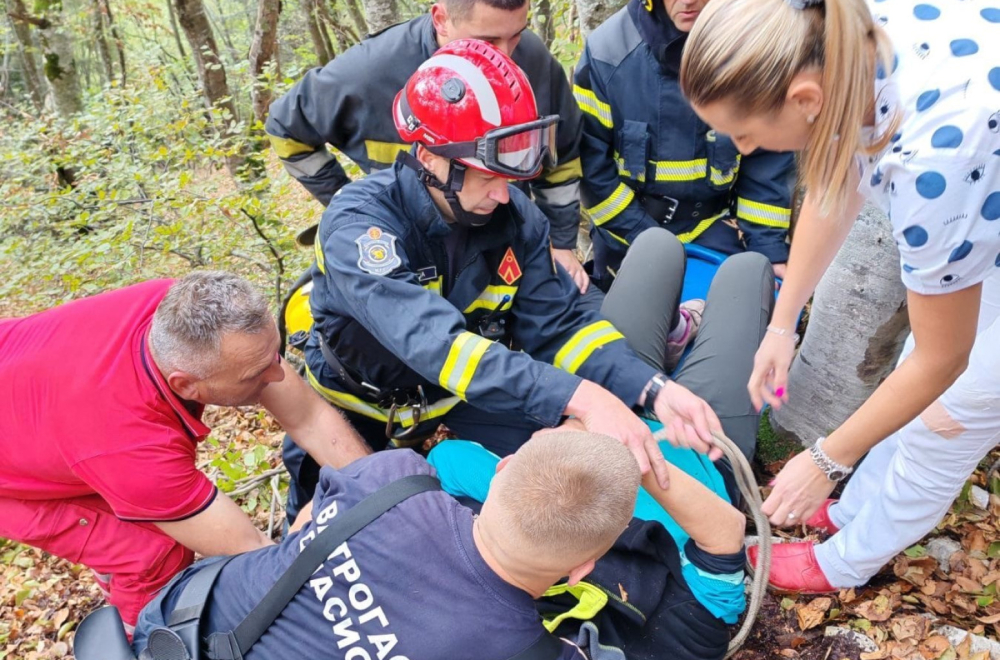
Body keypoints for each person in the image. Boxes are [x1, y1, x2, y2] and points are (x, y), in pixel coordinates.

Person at [287, 39, 778, 520]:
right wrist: (582, 396)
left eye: (511, 177)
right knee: (339, 531)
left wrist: (651, 389)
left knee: (570, 484)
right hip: (358, 408)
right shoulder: (361, 228)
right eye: (488, 177)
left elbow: (560, 326)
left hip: (459, 400)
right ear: (432, 158)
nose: (505, 196)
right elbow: (439, 346)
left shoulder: (513, 217)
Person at [680, 0, 1000, 592]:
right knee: (915, 376)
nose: (741, 150)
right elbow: (837, 181)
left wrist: (828, 460)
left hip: (973, 179)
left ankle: (845, 562)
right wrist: (781, 325)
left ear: (804, 100)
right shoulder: (839, 38)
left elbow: (943, 360)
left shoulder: (933, 156)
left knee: (949, 414)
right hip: (982, 199)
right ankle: (856, 512)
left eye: (743, 133)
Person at [132, 430, 745, 660]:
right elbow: (725, 534)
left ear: (498, 474)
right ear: (581, 567)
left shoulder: (391, 479)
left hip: (180, 631)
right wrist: (638, 468)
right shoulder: (532, 649)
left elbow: (304, 534)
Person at [0, 271, 369, 630]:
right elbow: (256, 554)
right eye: (255, 375)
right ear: (186, 385)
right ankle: (140, 639)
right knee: (152, 553)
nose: (278, 375)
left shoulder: (181, 313)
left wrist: (376, 490)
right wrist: (317, 533)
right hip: (19, 468)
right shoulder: (136, 449)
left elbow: (310, 417)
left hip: (32, 390)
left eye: (275, 355)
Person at [265, 0, 592, 294]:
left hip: (502, 239)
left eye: (517, 35)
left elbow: (561, 160)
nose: (505, 56)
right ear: (441, 19)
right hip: (410, 256)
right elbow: (285, 128)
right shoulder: (371, 71)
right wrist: (342, 197)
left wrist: (560, 243)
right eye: (487, 41)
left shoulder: (532, 60)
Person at [572, 0, 795, 292]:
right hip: (627, 237)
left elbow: (767, 158)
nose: (689, 1)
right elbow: (589, 168)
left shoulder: (753, 47)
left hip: (715, 231)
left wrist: (768, 248)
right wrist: (647, 240)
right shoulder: (607, 52)